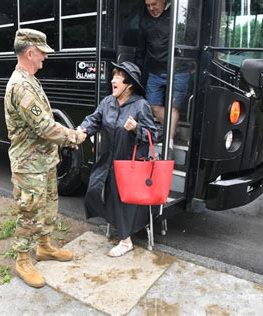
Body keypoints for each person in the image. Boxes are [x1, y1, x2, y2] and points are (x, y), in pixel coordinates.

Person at [4, 28, 87, 288]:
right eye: (42, 52)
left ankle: (44, 247)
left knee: (49, 205)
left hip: (43, 162)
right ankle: (22, 261)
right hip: (29, 165)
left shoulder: (30, 80)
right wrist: (74, 136)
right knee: (29, 211)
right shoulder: (21, 86)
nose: (45, 58)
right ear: (30, 52)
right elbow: (46, 128)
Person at [77, 61, 158, 257]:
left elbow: (153, 135)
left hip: (129, 163)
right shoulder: (107, 103)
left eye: (117, 77)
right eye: (113, 76)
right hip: (107, 159)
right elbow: (94, 119)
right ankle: (114, 222)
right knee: (94, 189)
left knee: (120, 199)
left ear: (128, 84)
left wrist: (137, 129)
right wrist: (83, 129)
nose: (112, 80)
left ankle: (125, 240)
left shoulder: (140, 106)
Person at [135, 0, 190, 157]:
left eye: (154, 4)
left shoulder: (178, 15)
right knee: (152, 105)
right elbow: (141, 49)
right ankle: (172, 129)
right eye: (148, 5)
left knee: (173, 107)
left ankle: (169, 143)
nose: (151, 8)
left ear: (164, 1)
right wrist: (137, 70)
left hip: (178, 69)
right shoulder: (145, 21)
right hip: (155, 71)